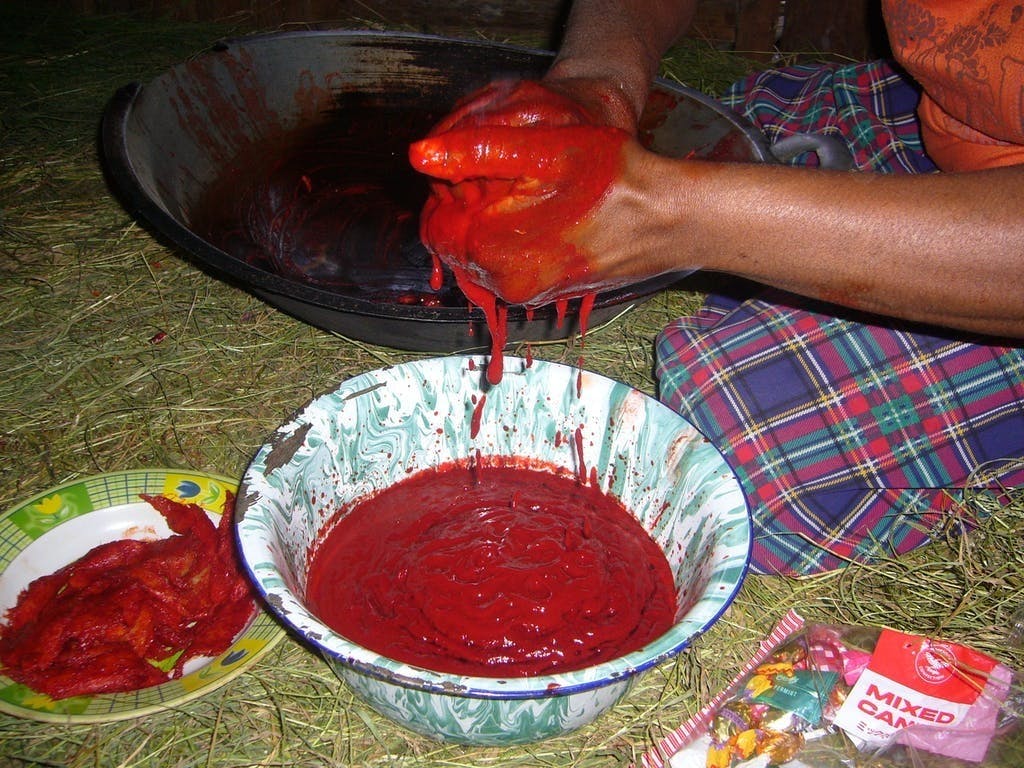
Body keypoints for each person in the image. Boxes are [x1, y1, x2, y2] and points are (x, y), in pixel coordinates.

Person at [409, 0, 1024, 575]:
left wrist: (674, 217)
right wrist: (597, 87)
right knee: (723, 118)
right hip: (951, 120)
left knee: (731, 438)